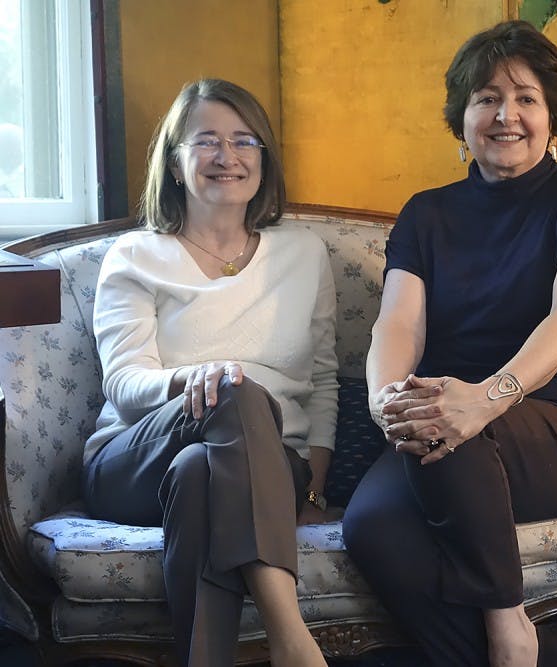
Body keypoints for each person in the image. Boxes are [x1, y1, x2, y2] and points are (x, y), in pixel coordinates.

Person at [342, 20, 557, 667]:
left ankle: (510, 624)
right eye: (486, 98)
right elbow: (398, 324)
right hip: (447, 432)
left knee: (454, 423)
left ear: (552, 115)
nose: (507, 115)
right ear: (463, 115)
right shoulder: (426, 213)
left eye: (526, 98)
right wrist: (386, 398)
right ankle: (527, 656)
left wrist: (486, 398)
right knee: (371, 524)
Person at [80, 79, 337, 667]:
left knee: (203, 473)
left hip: (273, 467)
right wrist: (192, 379)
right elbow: (124, 384)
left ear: (264, 159)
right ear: (175, 161)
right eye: (208, 141)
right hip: (134, 459)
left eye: (245, 140)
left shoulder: (303, 253)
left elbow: (323, 380)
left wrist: (315, 487)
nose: (229, 156)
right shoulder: (135, 255)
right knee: (231, 391)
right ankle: (291, 638)